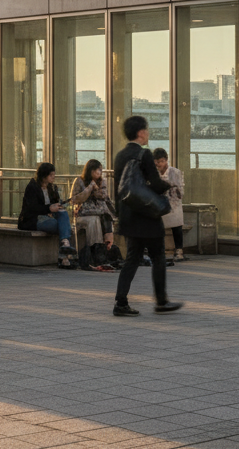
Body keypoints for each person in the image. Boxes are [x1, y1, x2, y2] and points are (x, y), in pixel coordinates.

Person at [111, 116, 182, 317]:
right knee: (158, 256)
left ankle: (121, 302)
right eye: (147, 130)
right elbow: (155, 184)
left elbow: (120, 189)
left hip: (128, 216)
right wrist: (168, 184)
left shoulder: (120, 156)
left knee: (132, 259)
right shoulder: (144, 154)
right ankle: (161, 302)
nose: (148, 134)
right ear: (141, 133)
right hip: (147, 217)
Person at [19, 163, 75, 257]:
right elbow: (32, 208)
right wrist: (49, 208)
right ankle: (65, 246)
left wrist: (60, 204)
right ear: (44, 175)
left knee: (63, 213)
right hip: (33, 219)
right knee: (62, 226)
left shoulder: (51, 187)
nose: (53, 177)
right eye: (51, 175)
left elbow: (55, 202)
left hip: (48, 216)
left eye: (54, 175)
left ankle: (65, 243)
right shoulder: (32, 187)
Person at [70, 159, 115, 252]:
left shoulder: (102, 182)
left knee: (105, 219)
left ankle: (104, 250)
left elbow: (103, 196)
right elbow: (74, 199)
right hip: (84, 214)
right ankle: (95, 251)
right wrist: (89, 188)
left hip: (100, 213)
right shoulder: (79, 181)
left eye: (100, 170)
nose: (100, 172)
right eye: (98, 170)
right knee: (94, 220)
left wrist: (95, 188)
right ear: (91, 170)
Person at [153, 148, 187, 263]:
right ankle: (159, 251)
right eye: (157, 162)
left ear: (166, 160)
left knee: (176, 227)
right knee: (158, 227)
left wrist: (170, 186)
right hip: (159, 203)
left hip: (173, 203)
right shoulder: (153, 172)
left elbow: (181, 190)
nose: (159, 164)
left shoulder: (175, 172)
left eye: (162, 161)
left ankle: (179, 250)